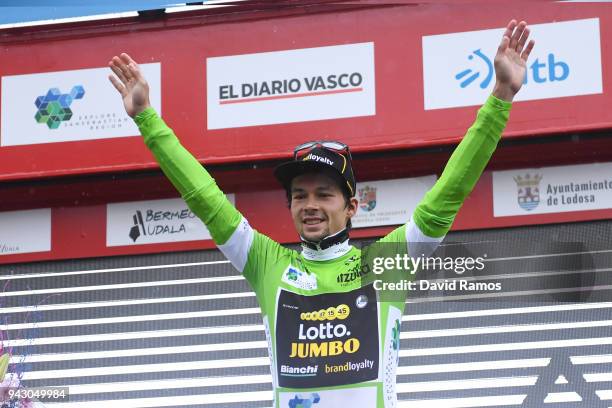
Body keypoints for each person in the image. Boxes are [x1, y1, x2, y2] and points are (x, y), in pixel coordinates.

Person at [109, 19, 534, 408]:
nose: (310, 205)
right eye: (299, 195)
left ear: (351, 207)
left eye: (324, 194)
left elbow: (450, 191)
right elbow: (204, 196)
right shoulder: (266, 263)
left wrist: (500, 97)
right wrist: (146, 117)